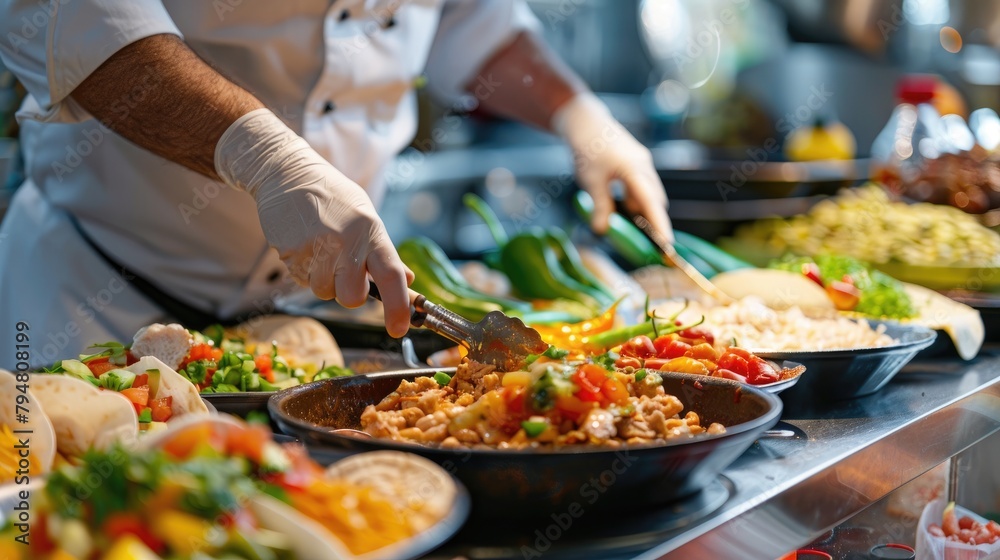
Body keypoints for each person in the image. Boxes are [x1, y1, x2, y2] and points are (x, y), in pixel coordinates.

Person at [0, 0, 672, 369]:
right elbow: (68, 14)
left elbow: (465, 17)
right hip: (91, 306)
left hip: (307, 334)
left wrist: (577, 114)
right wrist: (265, 160)